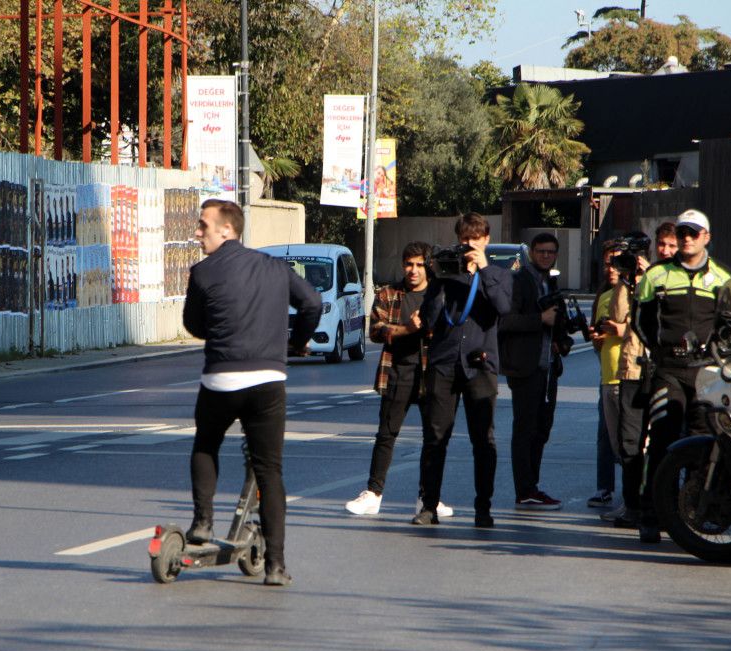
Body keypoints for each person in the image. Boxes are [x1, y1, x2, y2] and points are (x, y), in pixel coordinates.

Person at [182, 199, 321, 586]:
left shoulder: (202, 273)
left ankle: (203, 523)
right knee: (270, 471)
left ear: (227, 229)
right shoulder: (276, 268)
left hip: (221, 379)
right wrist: (296, 343)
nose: (197, 232)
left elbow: (193, 324)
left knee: (206, 443)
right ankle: (275, 566)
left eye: (203, 225)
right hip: (267, 382)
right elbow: (312, 302)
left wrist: (222, 330)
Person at [634, 209, 731, 544]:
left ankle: (695, 509)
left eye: (693, 233)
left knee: (704, 443)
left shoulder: (725, 277)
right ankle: (651, 513)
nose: (686, 239)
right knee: (661, 440)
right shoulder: (656, 275)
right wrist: (659, 350)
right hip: (668, 370)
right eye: (682, 232)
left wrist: (719, 354)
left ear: (706, 237)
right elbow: (641, 321)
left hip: (707, 372)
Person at [414, 212, 513, 528]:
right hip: (444, 362)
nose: (469, 245)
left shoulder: (499, 275)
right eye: (464, 239)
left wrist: (483, 268)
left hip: (480, 364)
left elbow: (503, 307)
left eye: (475, 239)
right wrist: (437, 281)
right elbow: (429, 319)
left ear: (486, 240)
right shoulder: (447, 273)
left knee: (483, 440)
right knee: (435, 437)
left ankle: (483, 508)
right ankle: (428, 506)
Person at [344, 242, 452, 518]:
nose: (413, 270)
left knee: (433, 438)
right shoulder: (388, 293)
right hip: (397, 373)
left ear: (428, 266)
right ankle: (373, 494)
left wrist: (429, 326)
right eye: (408, 264)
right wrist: (407, 328)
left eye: (419, 265)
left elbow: (452, 330)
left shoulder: (440, 294)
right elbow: (376, 330)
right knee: (386, 434)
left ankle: (428, 498)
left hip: (432, 375)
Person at [602, 223, 672, 529]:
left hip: (663, 370)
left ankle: (664, 506)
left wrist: (649, 277)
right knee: (629, 442)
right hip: (631, 368)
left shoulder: (671, 277)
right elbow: (618, 315)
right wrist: (626, 278)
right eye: (662, 245)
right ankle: (632, 506)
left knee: (663, 442)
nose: (666, 251)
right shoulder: (631, 279)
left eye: (671, 245)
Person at [498, 232, 572, 510]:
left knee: (542, 428)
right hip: (525, 367)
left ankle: (532, 487)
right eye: (541, 251)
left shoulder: (550, 282)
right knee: (525, 429)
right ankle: (525, 489)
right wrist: (539, 319)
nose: (546, 256)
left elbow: (557, 323)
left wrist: (561, 339)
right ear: (531, 252)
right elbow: (505, 321)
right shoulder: (519, 281)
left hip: (548, 367)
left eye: (551, 252)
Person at [588, 244, 623, 510]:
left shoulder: (639, 291)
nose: (610, 269)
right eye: (607, 263)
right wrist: (597, 337)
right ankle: (604, 487)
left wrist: (621, 330)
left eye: (616, 263)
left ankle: (638, 495)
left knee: (633, 441)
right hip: (607, 376)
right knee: (605, 435)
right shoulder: (602, 296)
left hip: (632, 376)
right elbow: (599, 342)